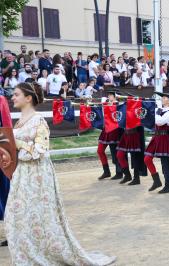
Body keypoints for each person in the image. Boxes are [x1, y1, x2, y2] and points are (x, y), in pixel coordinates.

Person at [6, 82, 116, 264]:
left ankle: (42, 254)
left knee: (37, 217)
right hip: (22, 176)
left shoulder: (38, 120)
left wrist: (18, 145)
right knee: (17, 216)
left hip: (37, 176)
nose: (13, 97)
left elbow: (40, 150)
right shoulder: (20, 121)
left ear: (28, 98)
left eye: (16, 94)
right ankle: (28, 254)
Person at [144, 92, 169, 193]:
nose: (162, 99)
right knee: (147, 159)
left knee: (165, 164)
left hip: (164, 138)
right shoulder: (159, 110)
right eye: (162, 98)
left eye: (164, 98)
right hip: (156, 137)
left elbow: (159, 121)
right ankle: (156, 181)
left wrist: (156, 110)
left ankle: (168, 186)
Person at [97, 91, 123, 181]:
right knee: (100, 150)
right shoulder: (106, 104)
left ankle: (119, 172)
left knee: (114, 152)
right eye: (108, 95)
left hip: (114, 130)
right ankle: (106, 171)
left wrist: (114, 103)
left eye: (111, 95)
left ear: (115, 96)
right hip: (106, 129)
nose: (109, 96)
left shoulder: (119, 105)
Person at [0, 95, 12, 247]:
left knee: (5, 193)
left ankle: (11, 233)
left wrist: (7, 152)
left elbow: (6, 126)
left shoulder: (1, 99)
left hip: (1, 152)